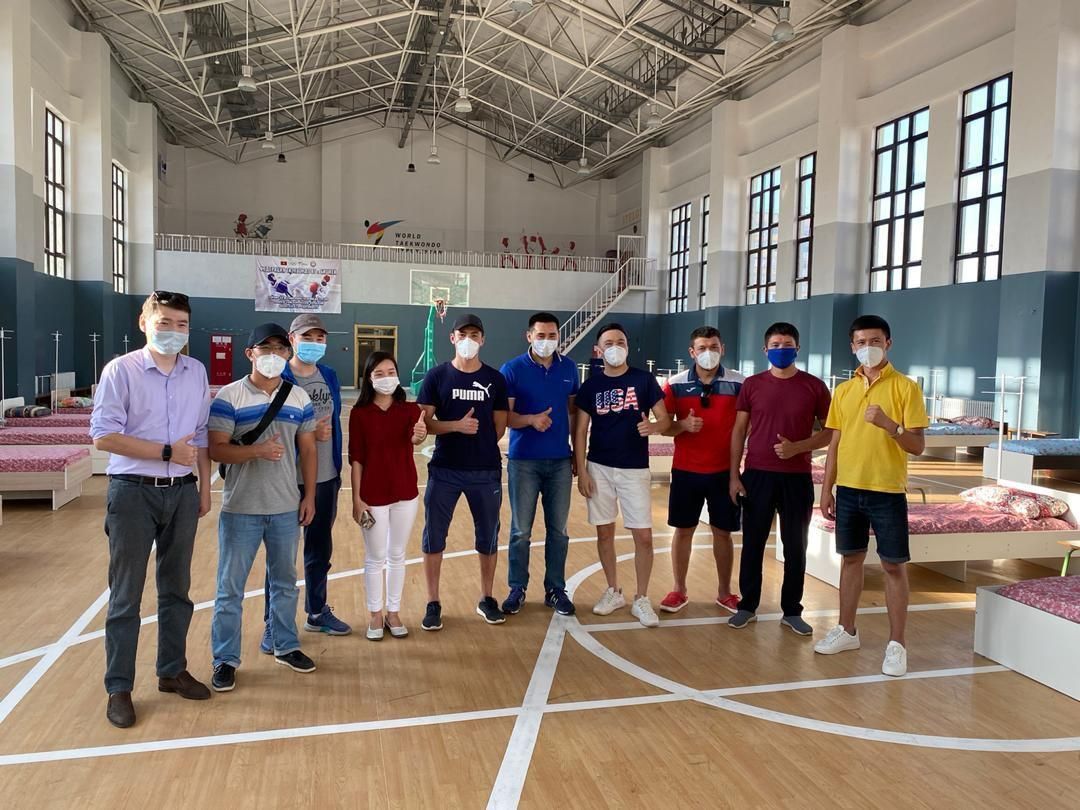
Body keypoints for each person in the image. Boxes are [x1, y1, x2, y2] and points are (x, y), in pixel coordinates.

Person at [90, 290, 213, 729]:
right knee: (126, 593)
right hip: (132, 493)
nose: (173, 332)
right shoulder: (120, 371)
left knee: (177, 588)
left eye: (181, 324)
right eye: (164, 323)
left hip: (182, 492)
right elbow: (103, 436)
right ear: (144, 323)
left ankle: (172, 670)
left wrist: (203, 487)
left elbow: (200, 435)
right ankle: (119, 686)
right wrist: (164, 451)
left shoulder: (196, 372)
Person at [208, 323, 319, 692]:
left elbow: (308, 450)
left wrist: (309, 496)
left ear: (288, 353)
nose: (274, 355)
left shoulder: (298, 397)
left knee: (285, 583)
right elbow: (217, 450)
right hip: (240, 509)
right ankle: (225, 658)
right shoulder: (229, 396)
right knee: (230, 589)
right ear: (250, 353)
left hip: (285, 507)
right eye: (265, 348)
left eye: (280, 348)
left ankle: (285, 645)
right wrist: (257, 451)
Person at [815, 315, 928, 677]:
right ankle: (847, 630)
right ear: (852, 347)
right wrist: (826, 489)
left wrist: (890, 426)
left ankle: (897, 645)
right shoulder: (844, 391)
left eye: (875, 341)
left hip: (887, 490)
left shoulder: (906, 388)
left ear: (888, 343)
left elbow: (918, 445)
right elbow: (835, 444)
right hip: (849, 489)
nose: (868, 348)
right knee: (850, 560)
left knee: (893, 566)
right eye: (861, 342)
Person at [728, 322, 832, 634]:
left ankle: (792, 610)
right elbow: (739, 430)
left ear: (797, 349)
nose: (781, 349)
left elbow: (830, 432)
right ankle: (747, 606)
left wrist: (798, 447)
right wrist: (734, 475)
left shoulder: (814, 387)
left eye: (787, 344)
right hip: (757, 476)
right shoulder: (752, 385)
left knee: (796, 546)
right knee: (753, 543)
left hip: (796, 478)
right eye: (775, 345)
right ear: (765, 350)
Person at [258, 314, 349, 655]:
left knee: (319, 549)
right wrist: (307, 435)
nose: (314, 342)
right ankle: (273, 622)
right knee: (280, 557)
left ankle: (317, 610)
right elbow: (269, 428)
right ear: (292, 339)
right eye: (307, 336)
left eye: (320, 337)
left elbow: (334, 420)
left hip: (326, 476)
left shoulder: (330, 376)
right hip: (285, 479)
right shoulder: (277, 376)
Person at [417, 314, 510, 631]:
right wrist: (456, 426)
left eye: (475, 334)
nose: (469, 339)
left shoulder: (495, 379)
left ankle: (487, 597)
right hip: (445, 469)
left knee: (488, 536)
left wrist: (479, 442)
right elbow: (424, 424)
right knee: (434, 537)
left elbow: (499, 426)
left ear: (482, 339)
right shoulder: (437, 376)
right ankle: (433, 602)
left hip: (485, 471)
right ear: (453, 338)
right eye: (463, 334)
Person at [575, 323, 670, 627]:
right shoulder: (591, 386)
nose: (615, 347)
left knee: (643, 535)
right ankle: (613, 590)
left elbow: (665, 420)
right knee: (604, 532)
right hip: (599, 467)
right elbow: (580, 431)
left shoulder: (644, 380)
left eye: (620, 341)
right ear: (598, 350)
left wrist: (653, 427)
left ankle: (641, 598)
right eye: (608, 343)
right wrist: (581, 470)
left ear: (627, 347)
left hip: (635, 468)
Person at [658, 326, 744, 615]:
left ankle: (725, 592)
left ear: (723, 349)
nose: (709, 353)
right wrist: (682, 425)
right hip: (686, 471)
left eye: (714, 347)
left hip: (724, 472)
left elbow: (749, 423)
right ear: (692, 352)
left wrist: (737, 472)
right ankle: (678, 590)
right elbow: (664, 426)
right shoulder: (675, 384)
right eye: (703, 348)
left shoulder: (740, 383)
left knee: (723, 532)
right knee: (683, 531)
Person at [500, 313, 579, 617]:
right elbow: (504, 417)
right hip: (524, 462)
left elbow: (573, 413)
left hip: (560, 462)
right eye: (541, 335)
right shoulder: (512, 369)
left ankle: (555, 589)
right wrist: (531, 420)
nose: (547, 341)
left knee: (558, 531)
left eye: (552, 335)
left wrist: (577, 455)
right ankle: (517, 588)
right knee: (521, 530)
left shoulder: (569, 368)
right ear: (529, 336)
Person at [349, 352, 427, 639]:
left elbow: (415, 438)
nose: (386, 378)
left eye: (390, 371)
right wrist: (356, 499)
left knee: (397, 554)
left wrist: (420, 435)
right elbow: (356, 459)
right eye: (379, 373)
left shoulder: (410, 411)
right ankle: (375, 614)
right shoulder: (359, 414)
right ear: (369, 378)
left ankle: (393, 612)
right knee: (375, 556)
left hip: (405, 493)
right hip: (372, 496)